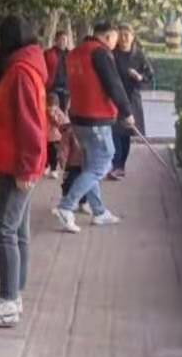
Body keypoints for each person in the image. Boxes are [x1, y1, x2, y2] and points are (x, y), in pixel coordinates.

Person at [0, 16, 47, 329]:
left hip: (20, 166)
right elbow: (6, 122)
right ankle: (13, 296)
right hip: (13, 162)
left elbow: (31, 125)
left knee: (3, 230)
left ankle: (9, 303)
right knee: (18, 232)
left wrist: (28, 169)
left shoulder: (21, 73)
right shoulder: (23, 68)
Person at [53, 21, 133, 233]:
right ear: (107, 36)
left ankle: (99, 212)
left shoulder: (75, 52)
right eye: (115, 38)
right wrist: (127, 112)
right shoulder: (101, 53)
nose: (116, 43)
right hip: (97, 119)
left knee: (91, 166)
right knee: (102, 165)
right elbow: (113, 84)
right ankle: (66, 207)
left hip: (78, 118)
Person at [109, 25, 154, 180]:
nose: (124, 38)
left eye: (127, 35)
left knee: (126, 134)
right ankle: (116, 165)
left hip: (132, 98)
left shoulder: (139, 55)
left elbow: (149, 75)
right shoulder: (112, 54)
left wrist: (139, 77)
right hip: (115, 98)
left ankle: (121, 166)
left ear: (133, 36)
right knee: (114, 131)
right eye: (121, 35)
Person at [43, 30, 72, 101]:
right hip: (53, 88)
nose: (62, 42)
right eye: (60, 39)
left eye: (64, 39)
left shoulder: (71, 55)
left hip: (67, 88)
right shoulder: (48, 54)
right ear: (56, 40)